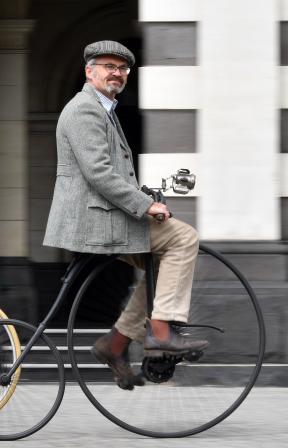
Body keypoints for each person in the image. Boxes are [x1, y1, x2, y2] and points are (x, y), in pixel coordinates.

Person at [43, 41, 208, 390]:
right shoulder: (85, 110)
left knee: (161, 264)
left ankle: (115, 344)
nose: (115, 73)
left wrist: (143, 195)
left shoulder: (103, 110)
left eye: (122, 68)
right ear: (90, 71)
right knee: (183, 238)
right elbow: (99, 173)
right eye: (107, 66)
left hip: (106, 214)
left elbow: (107, 173)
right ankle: (161, 330)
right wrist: (145, 205)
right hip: (96, 221)